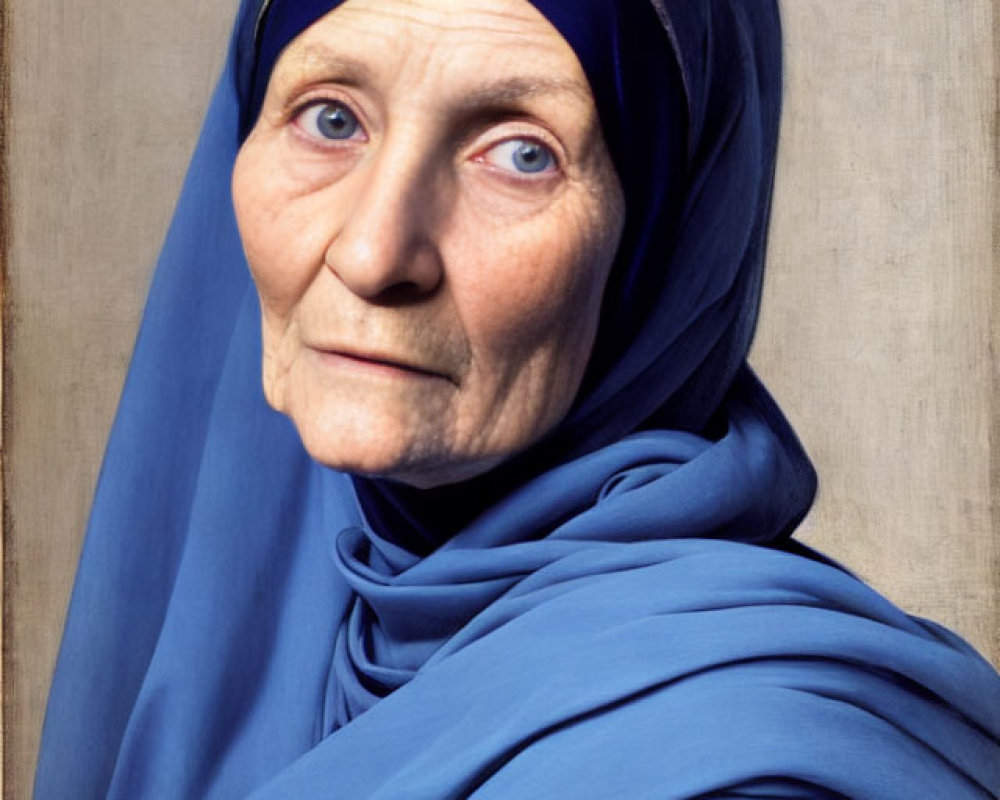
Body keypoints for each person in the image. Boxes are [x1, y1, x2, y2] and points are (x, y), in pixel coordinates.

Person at [35, 0, 1000, 797]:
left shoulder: (736, 769)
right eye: (331, 118)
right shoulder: (303, 638)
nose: (373, 254)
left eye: (520, 153)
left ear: (665, 251)